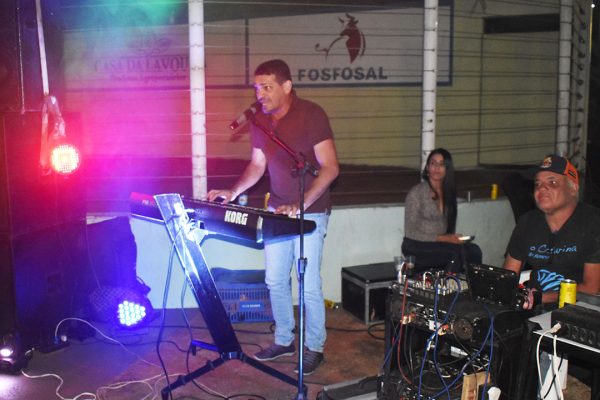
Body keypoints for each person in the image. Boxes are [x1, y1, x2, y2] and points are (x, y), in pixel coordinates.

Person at [207, 59, 339, 375]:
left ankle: (315, 347)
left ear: (286, 86)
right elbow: (257, 165)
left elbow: (330, 168)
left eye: (267, 87)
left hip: (311, 211)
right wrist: (233, 191)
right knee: (275, 279)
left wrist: (301, 204)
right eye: (257, 88)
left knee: (308, 283)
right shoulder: (259, 121)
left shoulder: (312, 114)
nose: (260, 94)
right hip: (276, 209)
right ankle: (284, 340)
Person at [503, 154, 600, 309]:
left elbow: (592, 288)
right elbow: (507, 277)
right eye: (537, 184)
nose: (542, 188)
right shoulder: (528, 222)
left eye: (552, 182)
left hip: (579, 309)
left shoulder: (593, 223)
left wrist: (543, 297)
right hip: (532, 307)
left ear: (573, 188)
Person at [401, 148, 482, 273]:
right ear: (427, 167)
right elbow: (410, 233)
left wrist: (451, 238)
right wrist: (444, 239)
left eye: (441, 164)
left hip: (438, 244)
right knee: (454, 253)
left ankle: (472, 284)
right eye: (433, 163)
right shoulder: (417, 193)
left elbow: (447, 229)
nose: (437, 168)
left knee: (474, 250)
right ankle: (449, 285)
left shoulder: (448, 193)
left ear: (447, 169)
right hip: (415, 245)